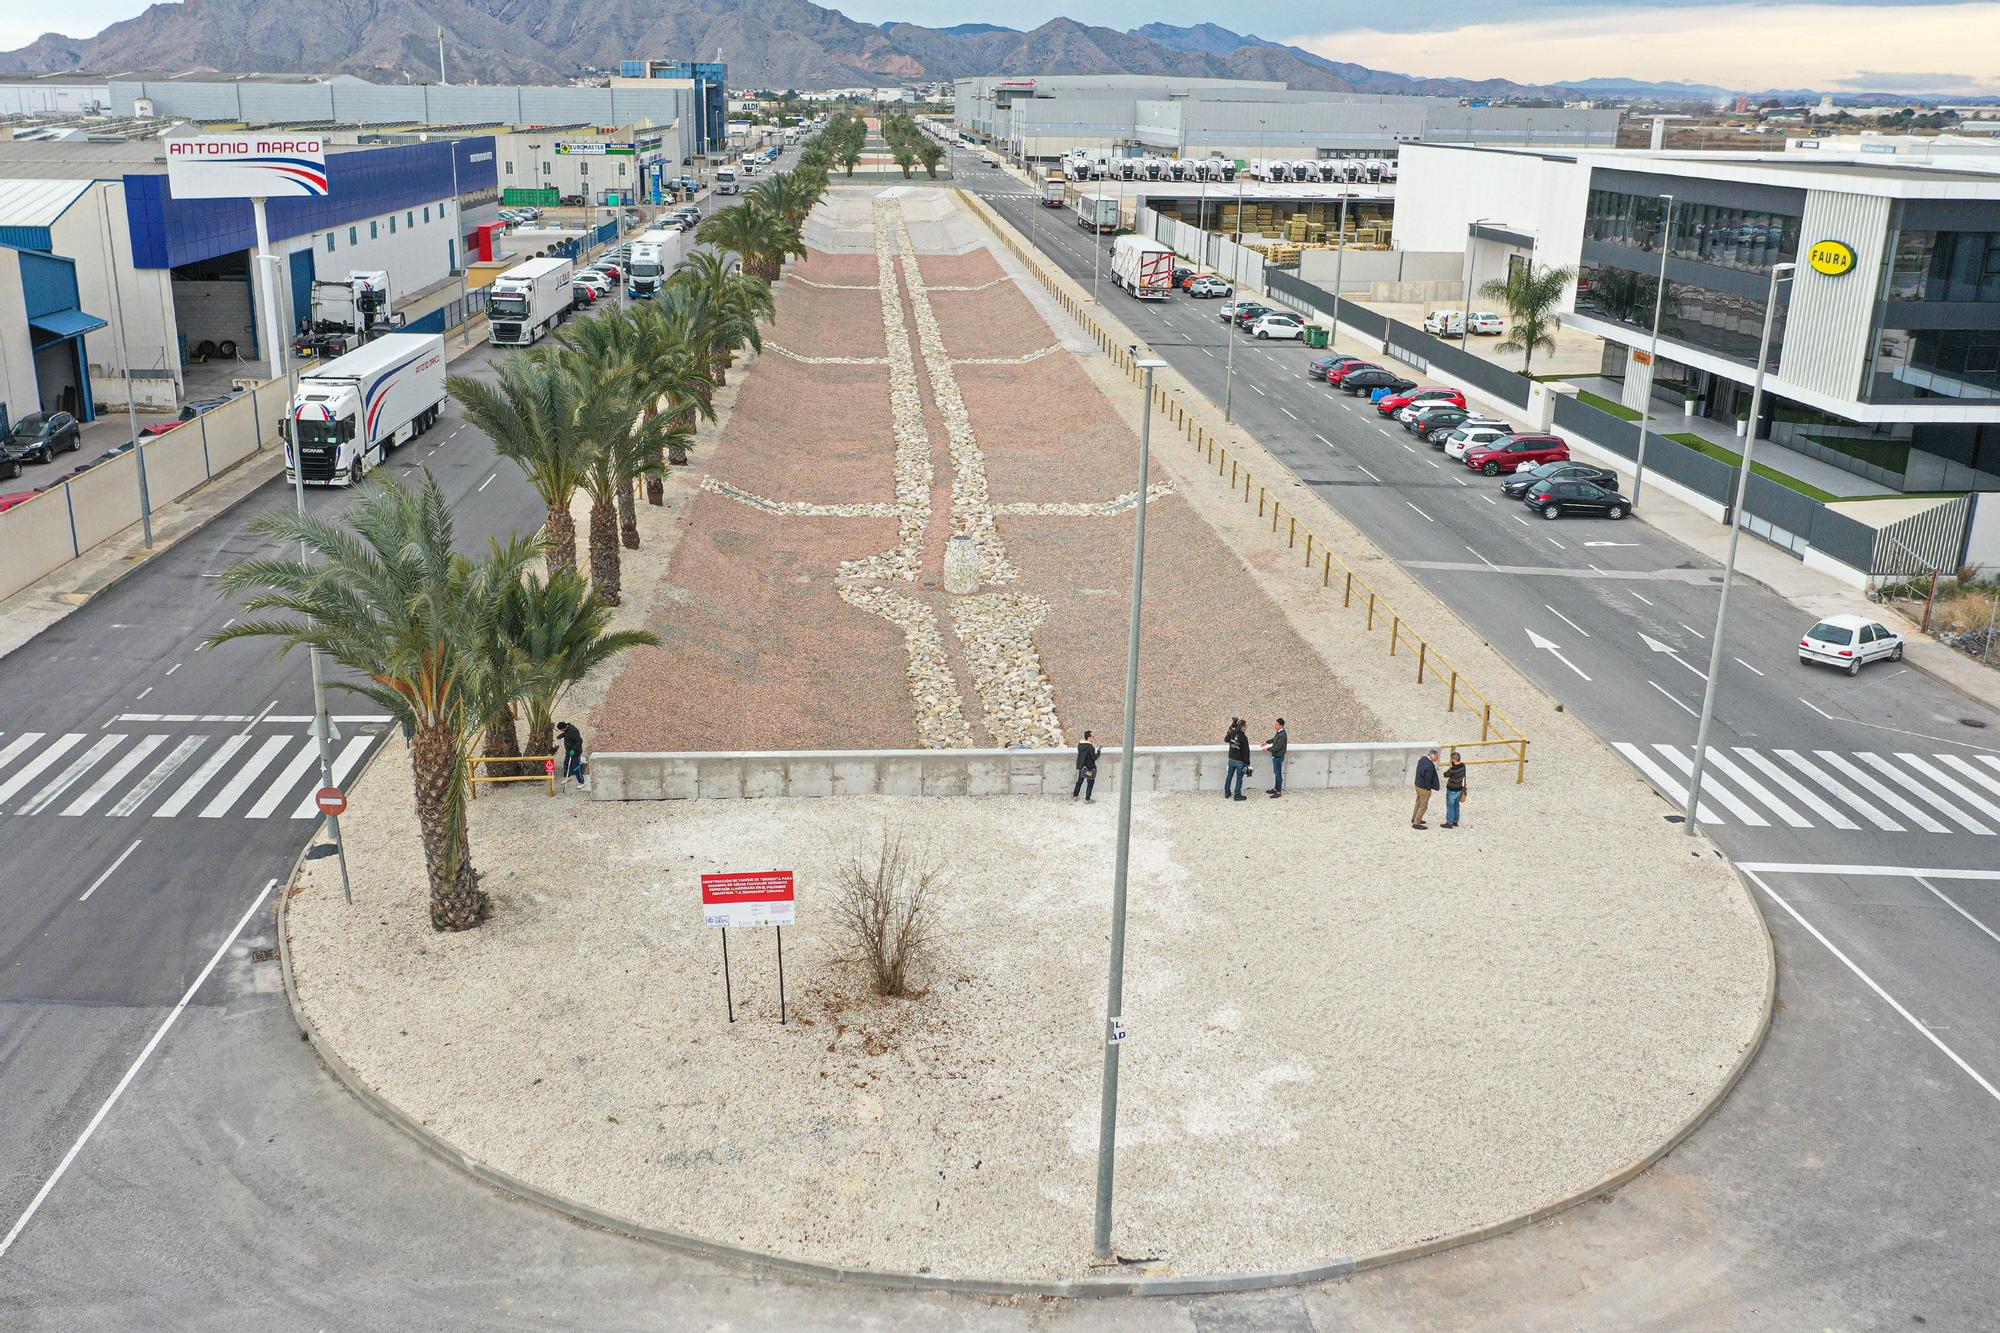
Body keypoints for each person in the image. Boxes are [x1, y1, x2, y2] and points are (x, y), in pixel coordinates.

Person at [1413, 747, 1441, 829]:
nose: (1437, 758)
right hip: (1424, 788)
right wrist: (1428, 789)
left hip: (1417, 785)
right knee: (1423, 806)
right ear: (1431, 756)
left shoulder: (1422, 759)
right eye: (1436, 757)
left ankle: (1415, 818)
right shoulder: (1430, 766)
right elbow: (1428, 779)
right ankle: (1416, 823)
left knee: (1418, 802)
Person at [1224, 718, 1250, 801]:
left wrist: (1231, 727)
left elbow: (1226, 739)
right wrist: (1247, 763)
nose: (1246, 727)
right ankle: (1237, 795)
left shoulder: (1232, 732)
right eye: (1246, 726)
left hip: (1231, 759)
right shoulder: (1243, 737)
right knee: (1239, 778)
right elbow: (1246, 752)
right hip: (1239, 761)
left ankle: (1227, 792)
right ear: (1242, 727)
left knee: (1229, 776)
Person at [556, 720, 587, 788]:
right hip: (568, 752)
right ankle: (568, 777)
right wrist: (561, 736)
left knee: (576, 768)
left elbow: (580, 741)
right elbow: (566, 734)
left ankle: (581, 782)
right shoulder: (567, 729)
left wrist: (573, 750)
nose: (562, 731)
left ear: (563, 728)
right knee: (565, 765)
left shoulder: (573, 731)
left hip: (575, 752)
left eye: (561, 730)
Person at [1442, 751, 1468, 828]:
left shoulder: (1452, 769)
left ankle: (1449, 823)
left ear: (1453, 759)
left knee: (1450, 806)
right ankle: (1455, 821)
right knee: (1456, 805)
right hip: (1459, 789)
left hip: (1451, 790)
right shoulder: (1463, 766)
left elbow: (1445, 774)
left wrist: (1451, 766)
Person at [1263, 718, 1288, 798]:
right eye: (1275, 724)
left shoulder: (1282, 735)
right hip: (1275, 756)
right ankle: (1275, 789)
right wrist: (1267, 742)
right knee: (1276, 773)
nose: (1275, 726)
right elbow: (1274, 740)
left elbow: (1277, 747)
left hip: (1278, 757)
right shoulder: (1279, 733)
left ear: (1281, 725)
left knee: (1278, 774)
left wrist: (1267, 749)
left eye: (1276, 725)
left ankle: (1278, 792)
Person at [1073, 730, 1100, 802]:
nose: (1093, 738)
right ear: (1089, 737)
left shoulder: (1080, 745)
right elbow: (1094, 758)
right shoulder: (1090, 747)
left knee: (1079, 781)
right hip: (1090, 768)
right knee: (1090, 783)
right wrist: (1099, 750)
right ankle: (1087, 799)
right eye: (1093, 736)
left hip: (1082, 767)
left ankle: (1075, 795)